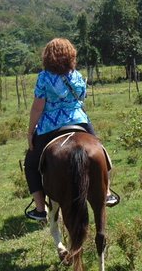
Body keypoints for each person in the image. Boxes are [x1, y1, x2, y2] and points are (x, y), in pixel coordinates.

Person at [24, 38, 119, 221]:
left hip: (50, 125)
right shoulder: (76, 75)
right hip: (78, 120)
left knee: (31, 164)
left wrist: (30, 133)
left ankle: (40, 208)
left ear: (47, 57)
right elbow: (81, 97)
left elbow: (38, 107)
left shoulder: (43, 77)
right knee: (101, 152)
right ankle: (106, 192)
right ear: (71, 56)